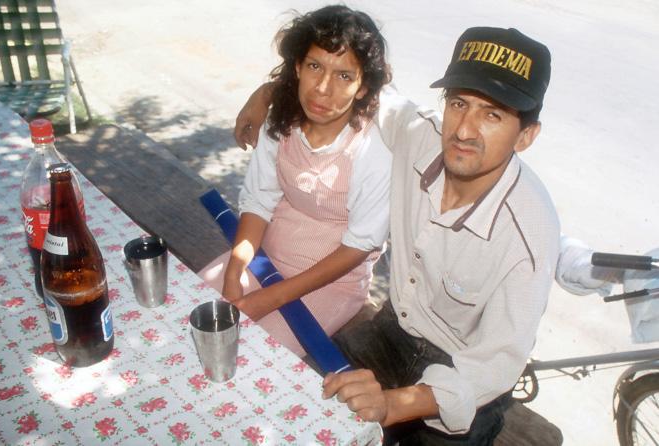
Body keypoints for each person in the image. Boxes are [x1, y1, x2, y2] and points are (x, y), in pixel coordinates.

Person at [235, 26, 561, 445]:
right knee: (293, 408)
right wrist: (266, 93)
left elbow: (495, 365)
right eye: (459, 103)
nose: (464, 130)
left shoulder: (529, 235)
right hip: (391, 333)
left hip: (461, 374)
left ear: (527, 136)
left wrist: (391, 405)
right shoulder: (417, 134)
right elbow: (347, 82)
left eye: (492, 115)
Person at [199, 5, 392, 356]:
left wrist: (269, 298)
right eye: (315, 66)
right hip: (264, 257)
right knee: (189, 317)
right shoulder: (282, 119)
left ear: (363, 88)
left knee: (254, 358)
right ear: (298, 67)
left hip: (332, 283)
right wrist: (235, 271)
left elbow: (359, 245)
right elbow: (259, 200)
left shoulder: (372, 147)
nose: (323, 89)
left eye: (344, 76)